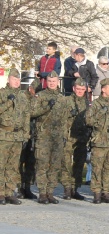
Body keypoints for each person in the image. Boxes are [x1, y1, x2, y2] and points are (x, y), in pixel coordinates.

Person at [30, 71, 68, 204]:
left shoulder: (62, 98)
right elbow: (32, 113)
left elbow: (64, 119)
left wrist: (64, 135)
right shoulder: (40, 96)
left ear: (58, 82)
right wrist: (47, 107)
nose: (52, 83)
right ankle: (42, 193)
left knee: (55, 165)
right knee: (42, 164)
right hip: (43, 136)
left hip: (57, 138)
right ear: (46, 82)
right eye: (50, 81)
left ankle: (50, 192)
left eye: (54, 81)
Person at [86, 78, 109, 204]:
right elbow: (89, 121)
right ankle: (97, 193)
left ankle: (106, 192)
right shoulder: (96, 104)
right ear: (103, 89)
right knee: (97, 168)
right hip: (100, 140)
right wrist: (100, 113)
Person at [0, 69, 30, 205]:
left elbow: (26, 116)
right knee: (1, 164)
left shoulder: (23, 96)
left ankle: (9, 192)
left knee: (13, 166)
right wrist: (8, 102)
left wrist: (26, 134)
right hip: (4, 134)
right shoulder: (2, 93)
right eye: (14, 79)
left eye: (18, 80)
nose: (17, 81)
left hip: (18, 135)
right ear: (8, 80)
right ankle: (0, 193)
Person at [60, 78, 91, 201]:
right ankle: (67, 188)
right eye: (78, 89)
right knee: (66, 163)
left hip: (81, 138)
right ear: (74, 88)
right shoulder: (66, 101)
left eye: (82, 89)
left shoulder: (86, 103)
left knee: (79, 164)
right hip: (68, 137)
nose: (80, 91)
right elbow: (61, 119)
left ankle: (75, 188)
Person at [18, 78, 41, 200]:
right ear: (30, 88)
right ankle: (19, 187)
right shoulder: (22, 97)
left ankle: (27, 187)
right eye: (34, 91)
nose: (35, 93)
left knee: (31, 162)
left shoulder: (37, 99)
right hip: (22, 134)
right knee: (19, 162)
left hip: (33, 134)